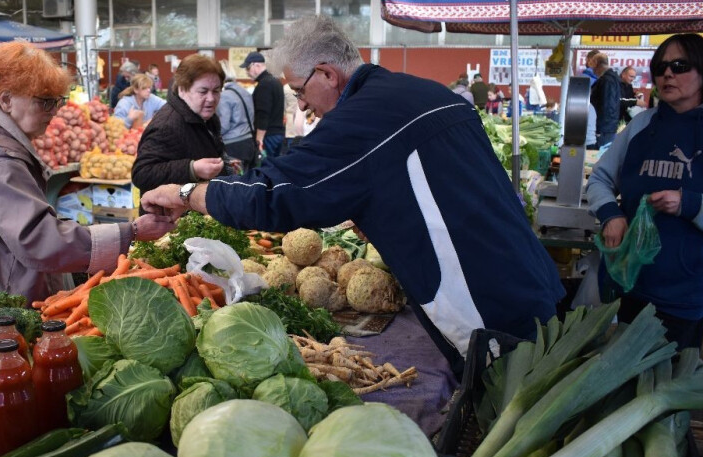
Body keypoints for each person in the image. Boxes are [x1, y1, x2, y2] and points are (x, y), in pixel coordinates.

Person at [141, 15, 565, 376]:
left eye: (300, 92)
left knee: (512, 425)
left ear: (327, 74)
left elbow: (274, 194)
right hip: (528, 277)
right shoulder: (426, 93)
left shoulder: (360, 122)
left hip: (488, 310)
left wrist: (185, 192)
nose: (304, 107)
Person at [0, 41, 175, 321]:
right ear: (6, 100)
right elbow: (40, 240)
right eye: (44, 101)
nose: (54, 111)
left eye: (57, 101)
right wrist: (130, 232)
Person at [586, 33, 703, 350]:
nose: (667, 74)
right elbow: (599, 179)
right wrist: (611, 214)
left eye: (679, 66)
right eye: (661, 66)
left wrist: (689, 204)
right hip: (629, 285)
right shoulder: (640, 125)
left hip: (686, 297)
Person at [131, 54, 231, 214]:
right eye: (203, 91)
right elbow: (142, 174)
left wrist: (224, 165)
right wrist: (192, 168)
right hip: (168, 225)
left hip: (197, 216)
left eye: (216, 91)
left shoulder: (207, 117)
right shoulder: (167, 125)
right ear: (183, 89)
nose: (211, 98)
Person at [240, 52, 285, 158]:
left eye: (247, 68)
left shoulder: (264, 84)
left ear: (257, 65)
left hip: (267, 136)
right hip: (278, 134)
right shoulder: (275, 81)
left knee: (265, 169)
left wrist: (259, 139)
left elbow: (263, 113)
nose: (247, 72)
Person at [216, 60, 257, 170]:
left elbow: (224, 125)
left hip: (233, 145)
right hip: (249, 142)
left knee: (235, 181)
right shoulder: (245, 92)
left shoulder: (224, 96)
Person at [589, 52, 621, 149]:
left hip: (604, 129)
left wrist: (599, 129)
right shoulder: (613, 79)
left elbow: (606, 106)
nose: (593, 71)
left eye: (593, 68)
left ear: (597, 65)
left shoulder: (606, 81)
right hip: (608, 127)